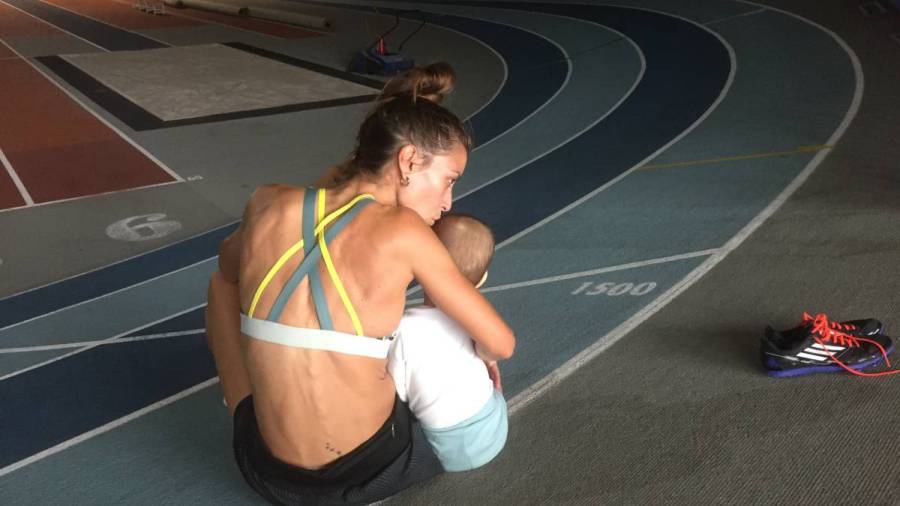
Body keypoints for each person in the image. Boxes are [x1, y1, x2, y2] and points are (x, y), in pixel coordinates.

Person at [204, 62, 516, 505]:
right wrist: (480, 356)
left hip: (267, 473)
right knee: (434, 328)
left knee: (220, 286)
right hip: (369, 474)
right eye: (448, 180)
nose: (447, 202)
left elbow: (227, 267)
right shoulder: (405, 230)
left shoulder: (267, 201)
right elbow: (502, 344)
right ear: (408, 160)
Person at [389, 214, 508, 472]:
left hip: (444, 449)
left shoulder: (403, 329)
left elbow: (394, 392)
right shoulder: (477, 322)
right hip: (495, 425)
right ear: (482, 279)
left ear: (422, 270)